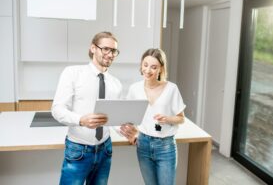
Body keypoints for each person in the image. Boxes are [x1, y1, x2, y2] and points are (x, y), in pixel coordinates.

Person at [52, 32, 122, 185]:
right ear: (93, 48)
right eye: (106, 49)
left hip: (105, 149)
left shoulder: (116, 83)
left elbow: (112, 119)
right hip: (78, 149)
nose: (110, 54)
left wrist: (124, 128)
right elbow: (57, 109)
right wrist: (80, 120)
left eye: (114, 51)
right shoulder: (73, 73)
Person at [120, 48, 186, 185]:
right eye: (145, 65)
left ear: (161, 69)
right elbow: (128, 117)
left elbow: (181, 118)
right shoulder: (134, 89)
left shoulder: (171, 89)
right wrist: (132, 134)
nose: (148, 70)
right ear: (141, 65)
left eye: (153, 67)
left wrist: (167, 118)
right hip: (143, 144)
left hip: (165, 146)